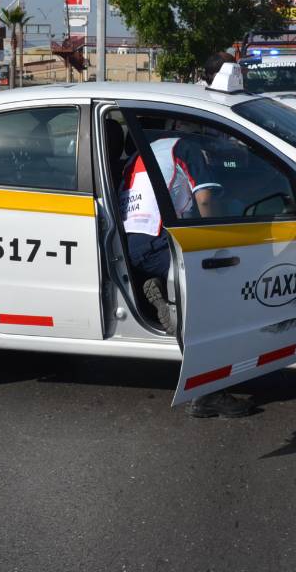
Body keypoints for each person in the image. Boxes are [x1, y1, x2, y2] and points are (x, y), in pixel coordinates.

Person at [118, 51, 254, 418]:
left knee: (193, 282)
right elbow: (206, 201)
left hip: (127, 245)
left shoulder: (142, 154)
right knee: (216, 299)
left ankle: (164, 289)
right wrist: (221, 251)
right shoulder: (188, 149)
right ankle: (207, 394)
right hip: (157, 243)